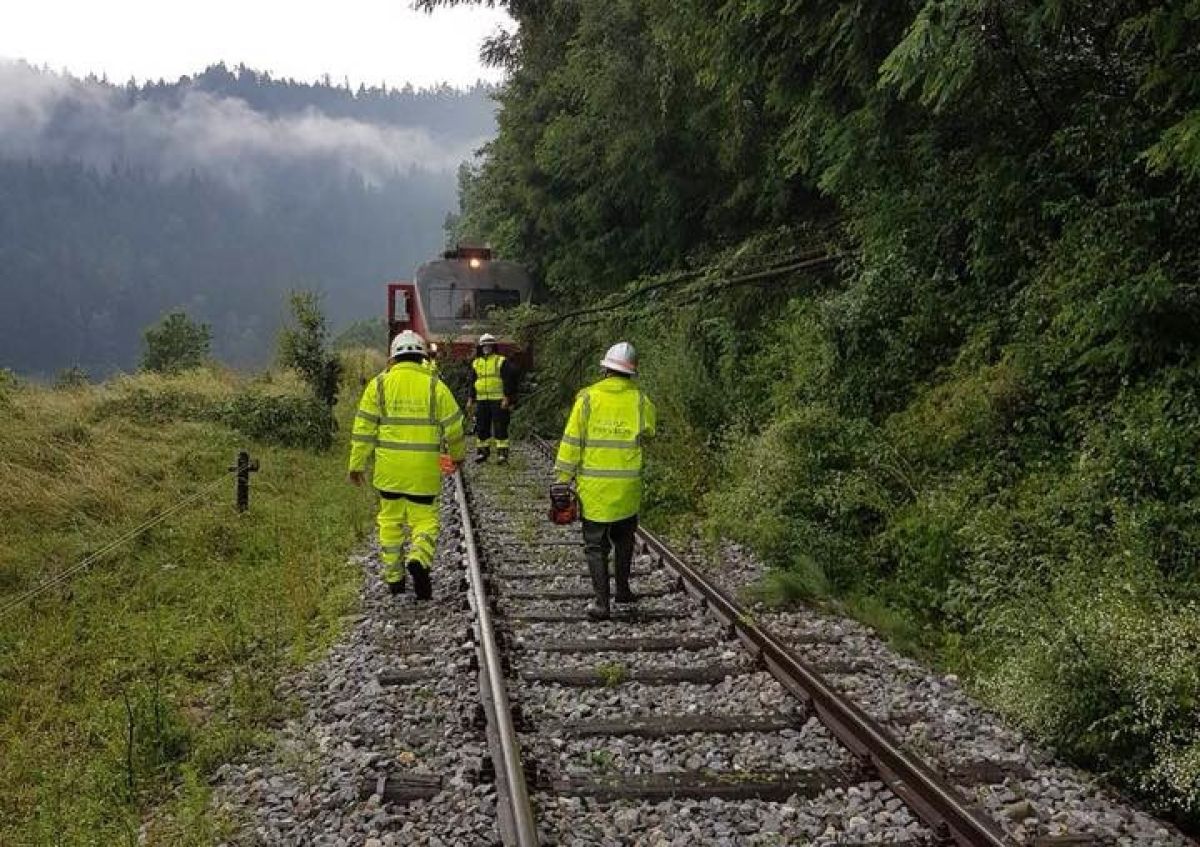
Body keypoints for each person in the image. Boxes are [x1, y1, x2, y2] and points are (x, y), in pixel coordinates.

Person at [348, 330, 466, 600]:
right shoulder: (435, 386)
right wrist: (457, 456)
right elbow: (455, 427)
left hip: (389, 473)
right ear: (423, 357)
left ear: (392, 357)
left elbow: (364, 428)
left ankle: (395, 580)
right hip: (422, 474)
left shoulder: (378, 385)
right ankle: (419, 558)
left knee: (390, 524)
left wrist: (356, 465)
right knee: (425, 522)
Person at [554, 341, 657, 620]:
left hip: (595, 489)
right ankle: (622, 590)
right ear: (631, 372)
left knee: (595, 545)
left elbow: (571, 441)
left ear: (605, 369)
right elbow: (649, 432)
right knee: (624, 540)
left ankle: (602, 603)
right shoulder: (640, 401)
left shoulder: (587, 399)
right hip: (627, 488)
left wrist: (562, 479)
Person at [467, 333, 519, 464]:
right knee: (481, 427)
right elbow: (472, 382)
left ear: (493, 347)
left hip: (498, 399)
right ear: (481, 347)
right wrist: (471, 398)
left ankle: (502, 454)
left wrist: (507, 397)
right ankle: (482, 452)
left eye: (489, 345)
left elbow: (508, 380)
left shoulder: (501, 361)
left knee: (500, 426)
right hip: (482, 400)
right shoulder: (476, 363)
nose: (487, 348)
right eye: (484, 346)